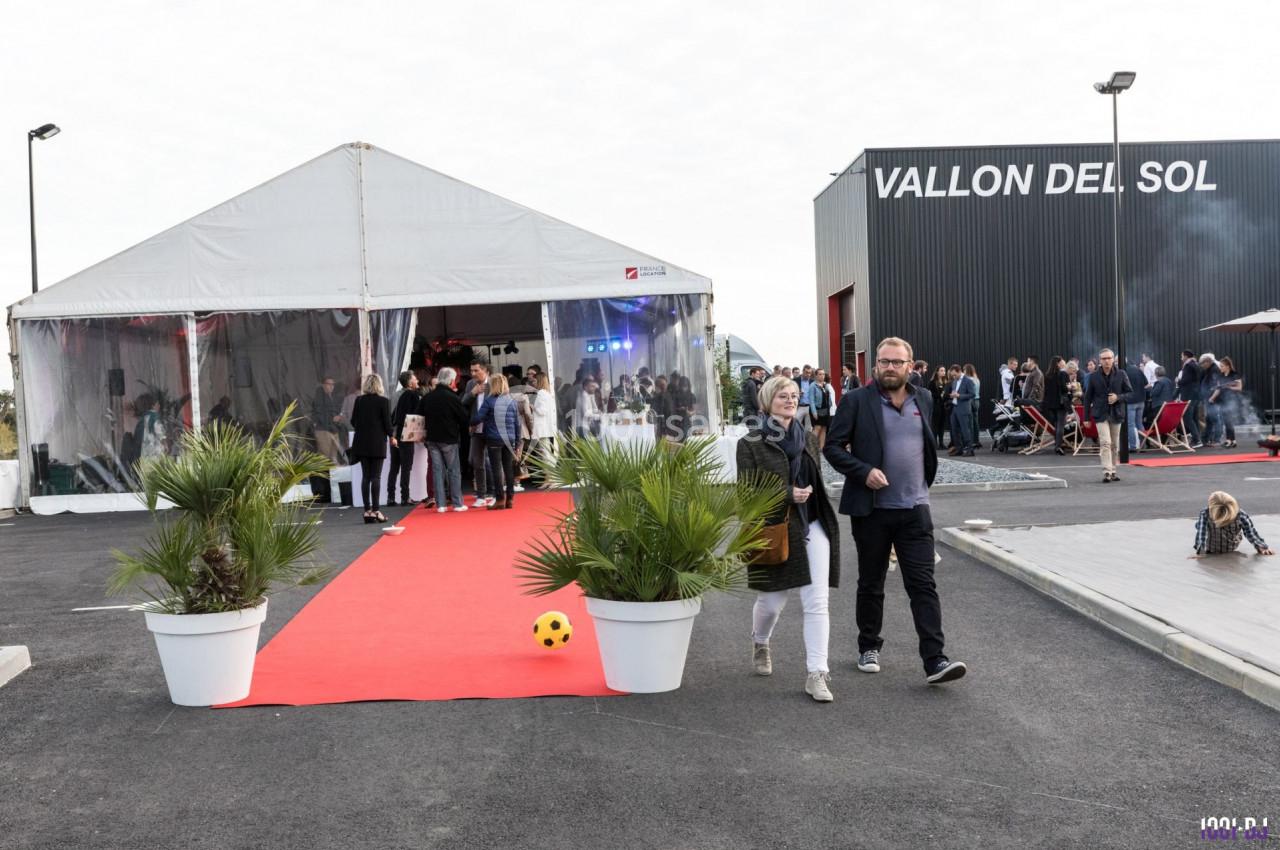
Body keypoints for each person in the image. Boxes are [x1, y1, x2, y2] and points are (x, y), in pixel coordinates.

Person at [823, 337, 967, 686]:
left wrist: (922, 486)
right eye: (884, 361)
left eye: (897, 362)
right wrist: (863, 471)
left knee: (923, 585)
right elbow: (832, 447)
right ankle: (868, 645)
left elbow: (926, 445)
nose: (890, 367)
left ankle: (935, 660)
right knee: (871, 582)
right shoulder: (857, 400)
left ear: (910, 366)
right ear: (875, 365)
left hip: (915, 509)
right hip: (872, 511)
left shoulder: (925, 398)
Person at [737, 376, 841, 702]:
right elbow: (746, 494)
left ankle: (816, 673)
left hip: (812, 525)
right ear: (768, 400)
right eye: (783, 395)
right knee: (772, 601)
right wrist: (786, 494)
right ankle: (761, 640)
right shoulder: (751, 442)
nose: (790, 400)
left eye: (794, 395)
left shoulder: (808, 439)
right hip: (774, 529)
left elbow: (817, 481)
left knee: (817, 602)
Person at [419, 367, 469, 512]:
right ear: (452, 381)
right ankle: (457, 503)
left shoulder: (428, 397)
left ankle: (441, 504)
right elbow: (464, 418)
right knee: (453, 471)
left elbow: (417, 415)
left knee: (437, 471)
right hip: (449, 439)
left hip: (431, 439)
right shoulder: (452, 398)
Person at [350, 374, 396, 524]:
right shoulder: (384, 401)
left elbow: (353, 421)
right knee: (376, 476)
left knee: (366, 477)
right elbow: (388, 423)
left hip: (361, 442)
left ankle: (367, 511)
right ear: (379, 385)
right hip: (377, 442)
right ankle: (376, 510)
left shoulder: (359, 400)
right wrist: (391, 436)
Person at [1083, 348, 1132, 483]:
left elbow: (1130, 393)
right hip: (1100, 413)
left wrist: (1118, 397)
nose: (1107, 361)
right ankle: (1107, 471)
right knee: (1105, 442)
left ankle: (1113, 470)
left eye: (1109, 358)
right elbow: (1087, 398)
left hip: (1117, 413)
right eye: (1104, 359)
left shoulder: (1121, 374)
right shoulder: (1093, 376)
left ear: (1113, 359)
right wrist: (1086, 417)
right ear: (1100, 361)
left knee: (1114, 444)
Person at [471, 373, 520, 510]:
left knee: (496, 469)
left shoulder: (489, 401)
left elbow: (478, 418)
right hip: (509, 439)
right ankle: (510, 498)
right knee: (508, 469)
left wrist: (471, 422)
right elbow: (517, 424)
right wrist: (517, 442)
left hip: (494, 438)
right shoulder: (512, 401)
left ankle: (499, 499)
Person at [1190, 492, 1274, 557]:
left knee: (1199, 525)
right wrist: (1262, 547)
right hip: (1230, 547)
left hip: (1211, 548)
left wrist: (1200, 553)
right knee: (1245, 528)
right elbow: (1250, 532)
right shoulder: (1240, 514)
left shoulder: (1205, 513)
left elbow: (1202, 534)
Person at [464, 360, 496, 507]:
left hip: (492, 429)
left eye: (476, 370)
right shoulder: (471, 384)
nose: (473, 374)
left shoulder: (495, 382)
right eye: (472, 371)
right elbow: (463, 402)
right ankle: (481, 496)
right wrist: (472, 393)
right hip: (476, 429)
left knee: (495, 461)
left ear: (485, 370)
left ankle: (496, 493)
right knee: (477, 462)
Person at [386, 371, 420, 507]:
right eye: (415, 378)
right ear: (410, 382)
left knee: (394, 467)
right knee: (406, 467)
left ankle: (390, 497)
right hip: (405, 434)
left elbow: (392, 415)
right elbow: (415, 416)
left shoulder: (394, 396)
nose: (417, 380)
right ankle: (405, 497)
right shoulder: (412, 395)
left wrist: (391, 434)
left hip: (394, 435)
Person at [1207, 356, 1244, 448]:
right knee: (1226, 421)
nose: (1220, 368)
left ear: (1228, 366)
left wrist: (1229, 387)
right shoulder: (1221, 376)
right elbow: (1218, 389)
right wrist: (1212, 398)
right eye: (1220, 366)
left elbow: (1239, 388)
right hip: (1223, 400)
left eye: (1222, 366)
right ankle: (1230, 440)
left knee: (1229, 420)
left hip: (1232, 400)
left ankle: (1231, 440)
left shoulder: (1235, 374)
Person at [530, 373, 558, 484]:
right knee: (547, 453)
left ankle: (549, 479)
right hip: (547, 427)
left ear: (539, 381)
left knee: (545, 454)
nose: (533, 383)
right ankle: (549, 478)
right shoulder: (548, 394)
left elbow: (542, 411)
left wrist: (533, 407)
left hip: (542, 428)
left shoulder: (541, 394)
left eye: (535, 381)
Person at [311, 377, 345, 464]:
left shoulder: (332, 397)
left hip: (332, 429)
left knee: (333, 457)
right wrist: (332, 419)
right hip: (323, 430)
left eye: (333, 384)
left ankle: (331, 476)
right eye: (328, 384)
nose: (331, 386)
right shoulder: (319, 397)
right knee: (325, 457)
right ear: (323, 385)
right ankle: (322, 476)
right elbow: (319, 414)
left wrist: (338, 418)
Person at [1041, 356, 1070, 455]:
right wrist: (1070, 387)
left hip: (1050, 404)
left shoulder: (1047, 375)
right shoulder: (1063, 374)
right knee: (1061, 425)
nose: (1063, 363)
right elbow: (1064, 389)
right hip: (1061, 403)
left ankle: (1058, 444)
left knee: (1056, 425)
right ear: (1058, 363)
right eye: (1062, 361)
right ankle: (1058, 446)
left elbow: (1045, 390)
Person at [1176, 349, 1204, 448]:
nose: (1181, 358)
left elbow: (1185, 381)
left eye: (1182, 356)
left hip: (1188, 395)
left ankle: (1197, 440)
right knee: (1194, 418)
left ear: (1186, 356)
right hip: (1197, 395)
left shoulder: (1188, 366)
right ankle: (1198, 439)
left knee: (1187, 418)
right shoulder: (1197, 365)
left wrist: (1178, 380)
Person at [946, 364, 975, 457]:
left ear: (959, 371)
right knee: (954, 430)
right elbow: (955, 392)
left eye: (955, 375)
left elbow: (972, 394)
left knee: (965, 430)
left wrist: (959, 396)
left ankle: (970, 449)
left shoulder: (968, 381)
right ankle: (959, 449)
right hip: (955, 407)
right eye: (952, 375)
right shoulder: (954, 381)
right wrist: (952, 395)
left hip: (964, 408)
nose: (953, 377)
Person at [1122, 357, 1148, 452]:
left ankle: (1133, 447)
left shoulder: (1122, 371)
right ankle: (1143, 445)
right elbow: (1146, 383)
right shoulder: (1137, 369)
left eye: (1116, 361)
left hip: (1130, 402)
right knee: (1139, 423)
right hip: (1141, 401)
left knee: (1130, 425)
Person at [806, 369, 834, 448]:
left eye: (823, 374)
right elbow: (811, 400)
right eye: (820, 374)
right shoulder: (813, 385)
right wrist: (814, 412)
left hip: (826, 410)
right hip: (817, 410)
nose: (822, 376)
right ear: (816, 376)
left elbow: (828, 397)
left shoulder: (825, 385)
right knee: (817, 428)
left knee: (824, 429)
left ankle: (821, 449)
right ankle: (810, 447)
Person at [928, 366, 949, 448]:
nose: (943, 372)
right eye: (941, 370)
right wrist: (940, 395)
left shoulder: (945, 382)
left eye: (944, 370)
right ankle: (934, 443)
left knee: (942, 425)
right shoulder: (932, 382)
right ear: (937, 372)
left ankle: (941, 442)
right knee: (935, 424)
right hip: (936, 405)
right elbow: (931, 394)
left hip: (943, 406)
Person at [963, 364, 981, 448]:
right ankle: (976, 440)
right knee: (976, 421)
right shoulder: (977, 379)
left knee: (970, 422)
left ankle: (971, 441)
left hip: (970, 401)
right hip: (977, 400)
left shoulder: (967, 380)